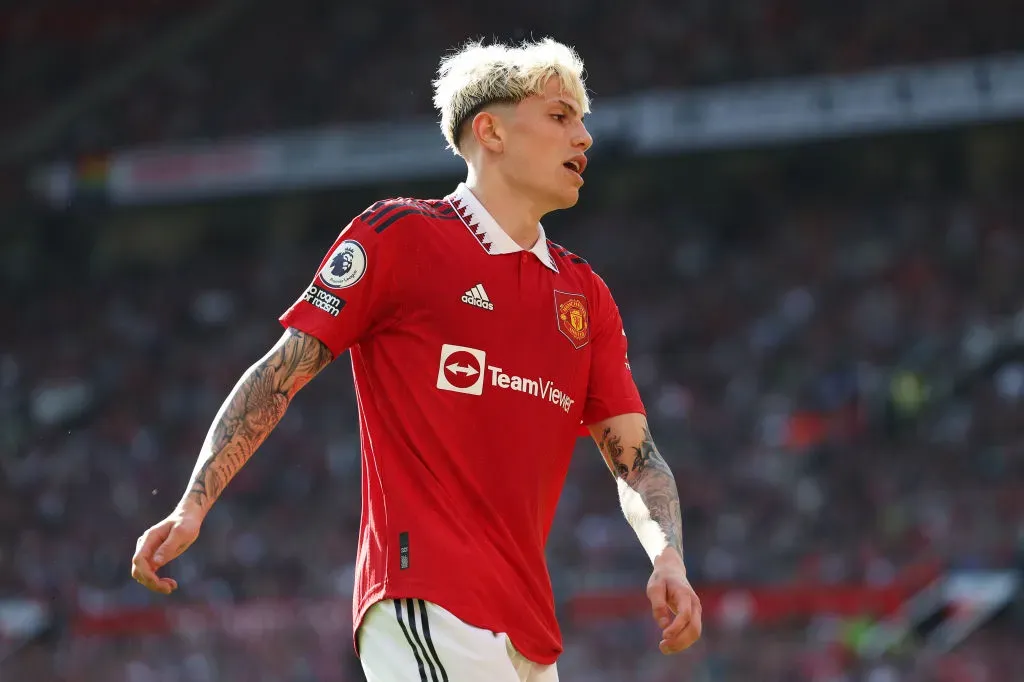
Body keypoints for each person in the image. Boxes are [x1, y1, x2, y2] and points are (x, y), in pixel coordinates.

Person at [131, 37, 702, 681]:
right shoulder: (401, 236)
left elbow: (637, 459)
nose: (585, 137)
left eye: (582, 120)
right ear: (490, 131)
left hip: (530, 632)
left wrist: (668, 557)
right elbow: (279, 373)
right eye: (559, 116)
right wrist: (193, 503)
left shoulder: (585, 295)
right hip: (424, 599)